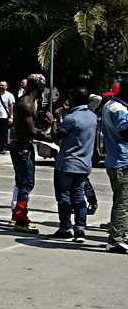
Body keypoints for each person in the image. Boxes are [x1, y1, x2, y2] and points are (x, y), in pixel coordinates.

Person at [45, 87, 95, 243]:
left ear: (75, 100)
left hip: (67, 163)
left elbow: (55, 136)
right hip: (84, 163)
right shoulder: (92, 117)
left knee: (64, 197)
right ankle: (80, 229)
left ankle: (65, 228)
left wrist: (54, 120)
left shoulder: (72, 118)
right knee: (79, 196)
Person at [10, 74, 49, 234]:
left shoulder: (29, 102)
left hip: (22, 145)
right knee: (26, 183)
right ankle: (20, 219)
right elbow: (30, 130)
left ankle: (18, 214)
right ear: (38, 86)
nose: (44, 90)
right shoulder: (25, 104)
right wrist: (49, 136)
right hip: (22, 147)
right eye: (43, 87)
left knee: (22, 182)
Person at [101, 79, 128, 254]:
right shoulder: (119, 109)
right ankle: (115, 239)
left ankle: (121, 234)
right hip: (121, 160)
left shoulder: (112, 105)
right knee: (123, 202)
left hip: (116, 158)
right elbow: (125, 133)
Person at [0, 81, 15, 154]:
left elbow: (11, 106)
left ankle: (4, 147)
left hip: (4, 117)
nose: (1, 87)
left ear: (6, 87)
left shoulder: (9, 95)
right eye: (0, 85)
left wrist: (11, 116)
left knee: (4, 133)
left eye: (3, 85)